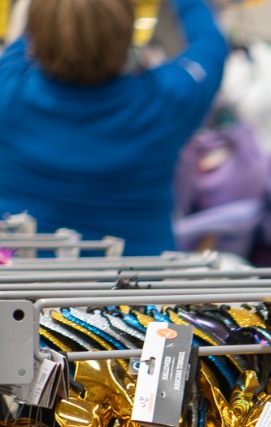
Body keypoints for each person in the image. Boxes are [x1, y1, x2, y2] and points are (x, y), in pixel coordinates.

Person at [0, 0, 226, 254]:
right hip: (140, 287)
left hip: (17, 283)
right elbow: (211, 44)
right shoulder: (168, 102)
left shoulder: (7, 91)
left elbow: (22, 40)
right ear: (129, 32)